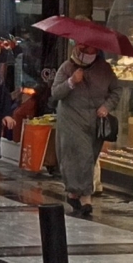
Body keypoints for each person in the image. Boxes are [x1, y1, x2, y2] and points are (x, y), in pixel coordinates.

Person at [51, 43, 122, 216]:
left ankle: (73, 193)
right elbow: (56, 93)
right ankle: (86, 197)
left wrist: (106, 107)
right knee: (82, 156)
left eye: (92, 48)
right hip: (72, 119)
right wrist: (71, 82)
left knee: (90, 157)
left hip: (96, 122)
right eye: (84, 48)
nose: (88, 51)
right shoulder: (66, 67)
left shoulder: (104, 68)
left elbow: (116, 90)